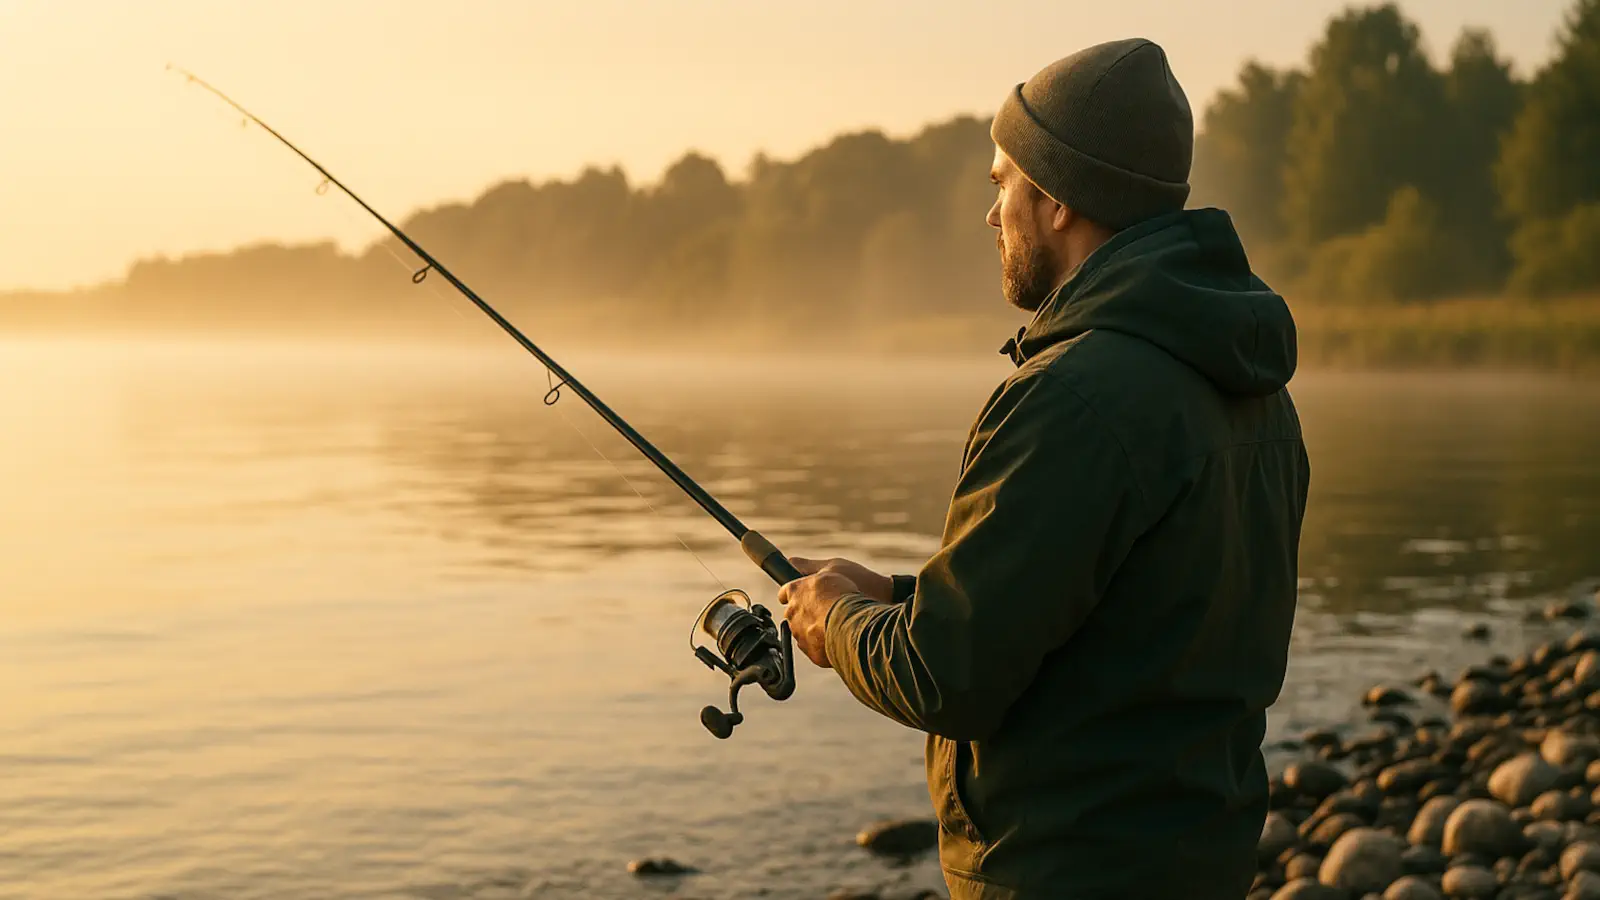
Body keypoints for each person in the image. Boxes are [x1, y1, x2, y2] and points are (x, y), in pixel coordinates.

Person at [778, 37, 1311, 899]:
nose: (991, 216)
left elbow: (944, 676)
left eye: (1002, 185)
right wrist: (899, 599)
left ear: (1059, 198)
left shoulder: (1074, 398)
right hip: (1198, 860)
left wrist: (836, 623)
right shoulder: (1255, 390)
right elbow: (1131, 617)